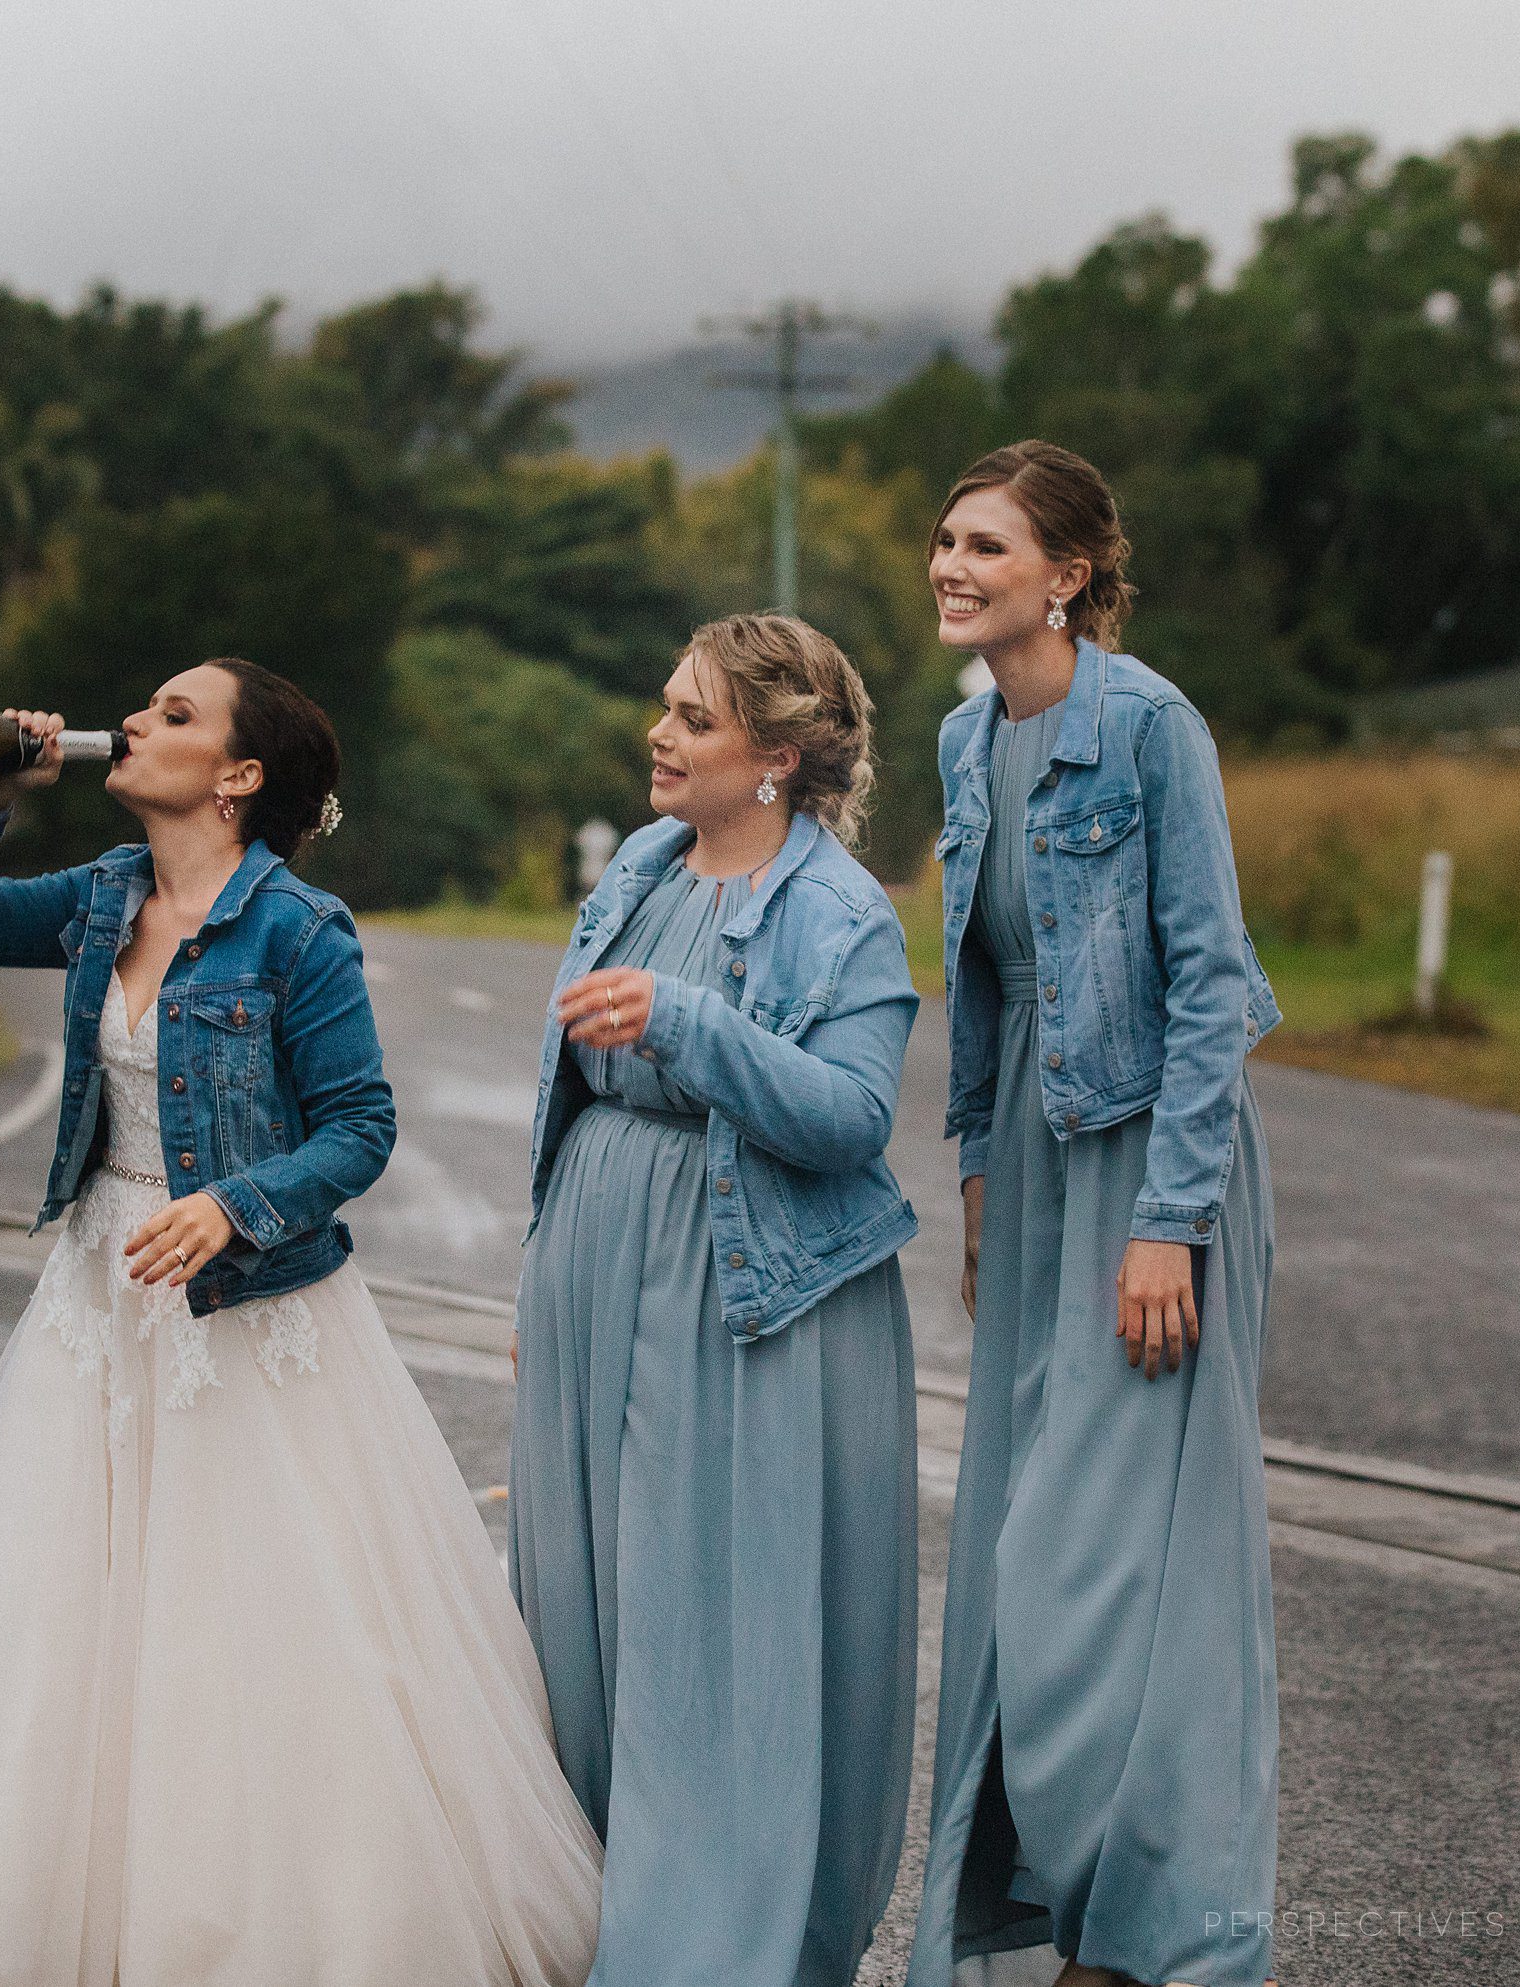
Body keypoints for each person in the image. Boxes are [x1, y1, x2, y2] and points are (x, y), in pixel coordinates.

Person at [0, 661, 601, 1987]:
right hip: (89, 1304)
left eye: (179, 715)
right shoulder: (104, 893)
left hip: (243, 1309)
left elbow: (360, 1129)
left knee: (255, 1623)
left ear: (239, 777)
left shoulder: (300, 931)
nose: (140, 720)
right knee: (59, 1618)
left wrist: (234, 1206)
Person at [908, 442, 1281, 1987]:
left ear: (1065, 575)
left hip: (1154, 1166)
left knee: (1135, 1566)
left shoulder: (1150, 727)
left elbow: (1210, 981)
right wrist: (984, 1188)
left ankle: (1158, 1934)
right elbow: (983, 979)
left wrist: (1167, 1221)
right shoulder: (959, 736)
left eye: (984, 545)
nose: (951, 565)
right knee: (1017, 1548)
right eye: (944, 539)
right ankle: (1046, 1914)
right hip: (1035, 1167)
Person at [511, 612, 921, 1987]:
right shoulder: (639, 865)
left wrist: (691, 1025)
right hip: (594, 1249)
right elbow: (574, 1077)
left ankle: (705, 1949)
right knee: (580, 1599)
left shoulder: (841, 915)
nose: (660, 733)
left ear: (777, 757)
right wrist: (542, 1269)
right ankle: (590, 1906)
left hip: (733, 1280)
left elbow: (852, 1119)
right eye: (667, 705)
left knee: (703, 1615)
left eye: (694, 717)